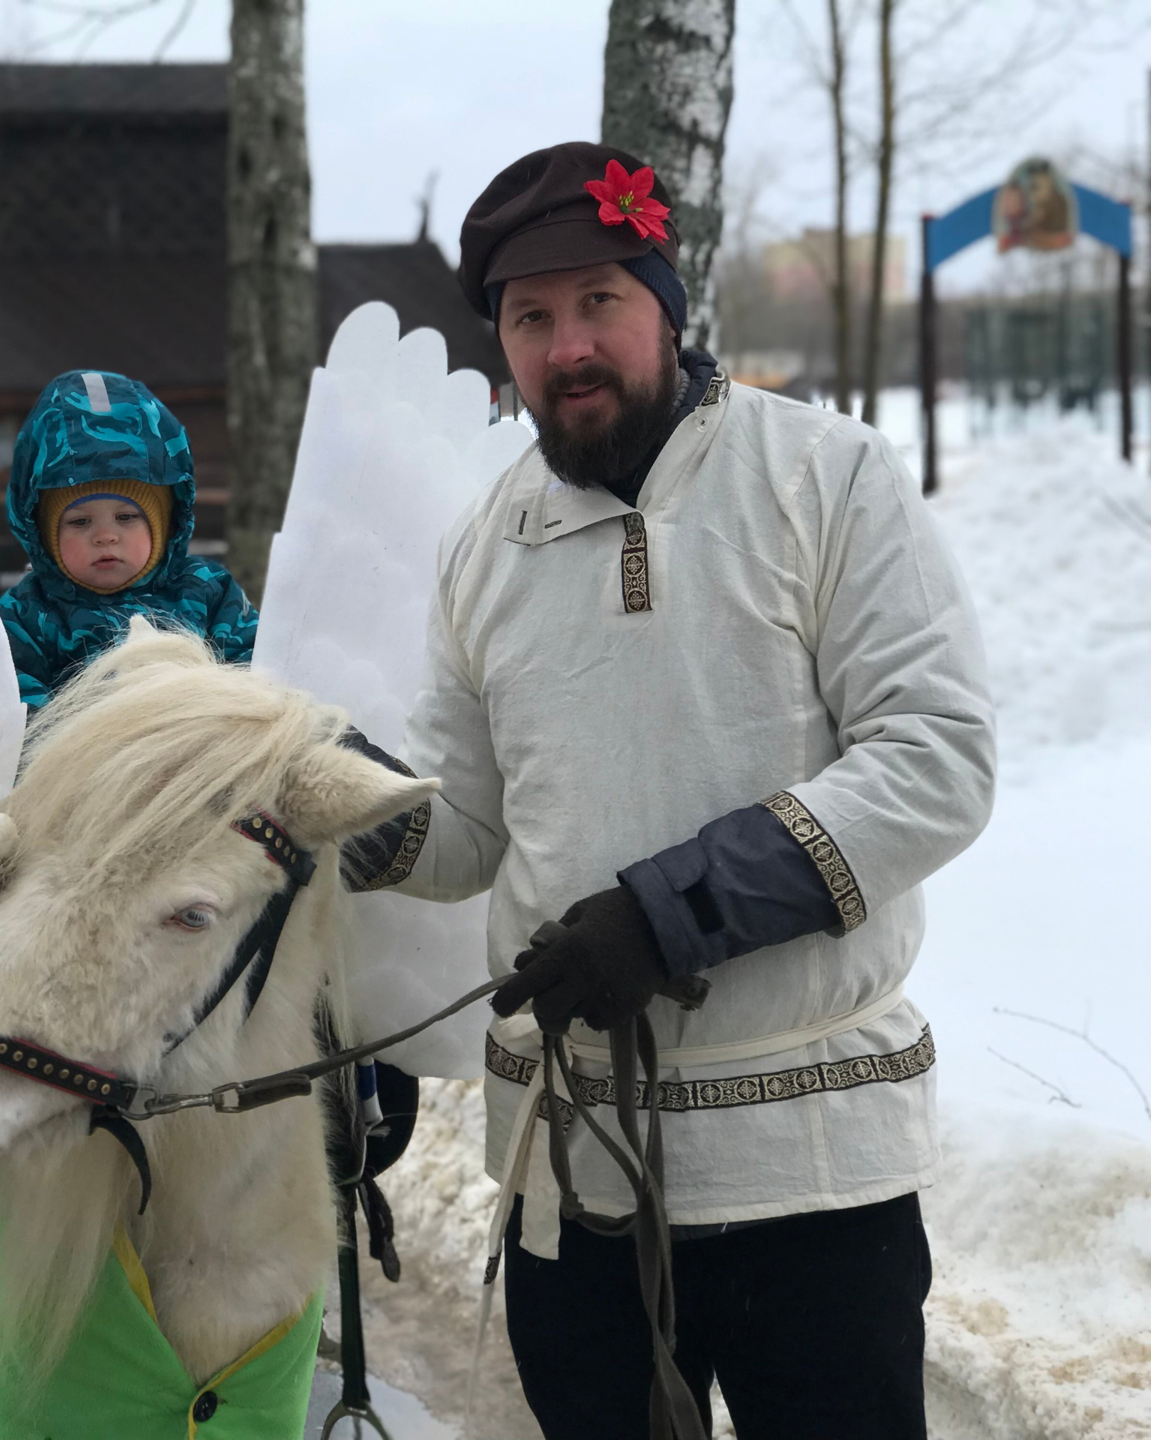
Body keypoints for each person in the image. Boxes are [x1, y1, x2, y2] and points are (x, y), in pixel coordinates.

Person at [377, 143, 995, 1437]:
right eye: (530, 317)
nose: (568, 345)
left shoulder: (826, 479)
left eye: (600, 299)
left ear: (668, 302)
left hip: (808, 1178)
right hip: (572, 1181)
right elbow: (466, 830)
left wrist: (671, 913)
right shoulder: (484, 547)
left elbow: (936, 758)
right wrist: (321, 808)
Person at [0, 368, 256, 710]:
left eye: (126, 517)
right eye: (80, 521)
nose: (104, 536)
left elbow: (257, 670)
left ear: (164, 525)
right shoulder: (27, 617)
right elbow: (15, 710)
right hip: (88, 758)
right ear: (42, 535)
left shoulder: (207, 593)